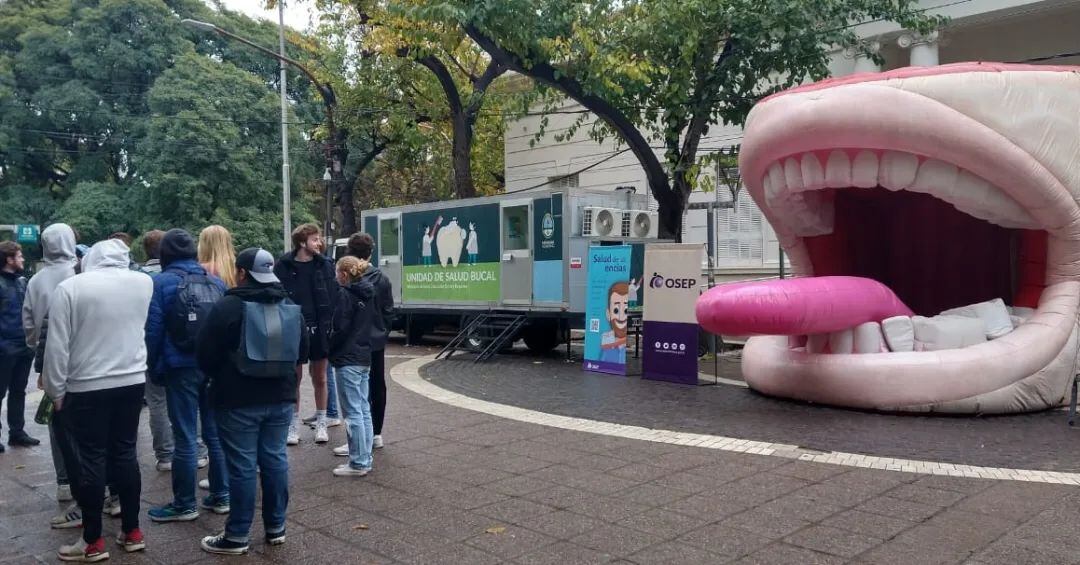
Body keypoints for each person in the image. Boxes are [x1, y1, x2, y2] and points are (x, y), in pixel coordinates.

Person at [44, 239, 153, 561]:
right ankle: (132, 530)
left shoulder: (70, 288)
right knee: (125, 453)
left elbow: (57, 345)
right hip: (132, 379)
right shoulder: (142, 282)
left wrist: (55, 390)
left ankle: (92, 540)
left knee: (91, 458)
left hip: (86, 384)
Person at [196, 248, 306, 555]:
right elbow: (303, 352)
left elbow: (204, 354)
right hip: (282, 397)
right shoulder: (289, 302)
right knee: (275, 459)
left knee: (242, 466)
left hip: (237, 399)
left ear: (242, 272)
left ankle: (237, 535)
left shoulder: (229, 306)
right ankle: (276, 527)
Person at [146, 229, 230, 523]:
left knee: (185, 436)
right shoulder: (216, 282)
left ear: (164, 254)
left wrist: (154, 366)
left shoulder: (161, 283)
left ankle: (184, 503)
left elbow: (154, 330)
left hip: (179, 366)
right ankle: (221, 495)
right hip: (213, 367)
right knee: (215, 433)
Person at [21, 224, 77, 503]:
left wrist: (38, 351)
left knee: (58, 420)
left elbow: (29, 324)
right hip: (82, 357)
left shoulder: (36, 280)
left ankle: (64, 480)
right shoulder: (83, 271)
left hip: (50, 361)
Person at [274, 224, 336, 445]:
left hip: (320, 327)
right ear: (302, 242)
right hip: (292, 326)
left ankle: (322, 421)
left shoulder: (325, 265)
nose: (318, 243)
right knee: (294, 378)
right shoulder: (283, 265)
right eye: (314, 239)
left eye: (318, 239)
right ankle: (293, 425)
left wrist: (331, 325)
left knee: (320, 377)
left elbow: (333, 295)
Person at [342, 232, 394, 450]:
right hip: (376, 341)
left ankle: (356, 439)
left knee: (353, 392)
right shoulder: (382, 279)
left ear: (348, 252)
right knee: (376, 386)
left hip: (352, 342)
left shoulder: (344, 278)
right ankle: (376, 433)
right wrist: (382, 331)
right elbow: (389, 311)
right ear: (370, 252)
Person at [327, 256, 375, 476]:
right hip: (364, 355)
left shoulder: (345, 296)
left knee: (353, 412)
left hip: (347, 357)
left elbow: (339, 327)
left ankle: (358, 462)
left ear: (344, 275)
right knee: (363, 409)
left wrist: (330, 346)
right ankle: (365, 457)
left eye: (337, 273)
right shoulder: (368, 292)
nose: (335, 277)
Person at [0, 240, 39, 451]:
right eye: (19, 255)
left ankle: (17, 432)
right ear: (9, 259)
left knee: (19, 390)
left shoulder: (23, 282)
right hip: (4, 348)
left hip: (24, 347)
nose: (22, 259)